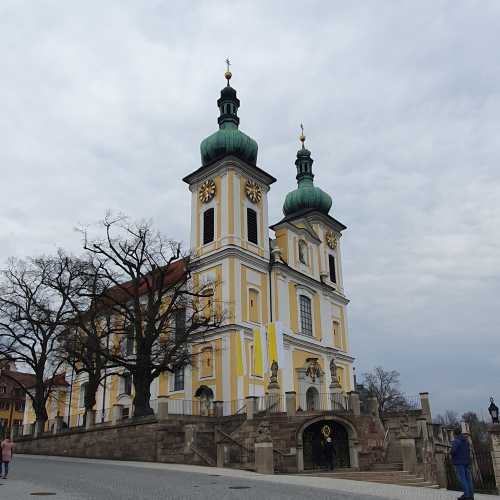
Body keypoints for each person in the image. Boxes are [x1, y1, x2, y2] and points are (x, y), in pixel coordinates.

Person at [450, 428, 474, 500]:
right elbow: (468, 450)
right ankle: (471, 495)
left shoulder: (456, 441)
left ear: (455, 434)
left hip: (459, 462)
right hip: (466, 462)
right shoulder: (466, 441)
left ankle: (466, 496)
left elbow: (453, 451)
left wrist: (450, 452)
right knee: (468, 479)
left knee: (462, 479)